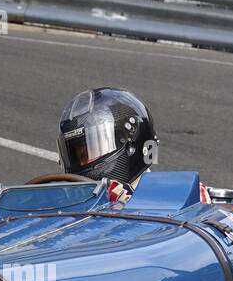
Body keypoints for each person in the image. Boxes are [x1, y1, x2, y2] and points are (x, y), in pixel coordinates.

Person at [56, 87, 209, 203]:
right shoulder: (69, 203)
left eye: (92, 150)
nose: (82, 163)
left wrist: (123, 207)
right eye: (78, 156)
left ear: (131, 146)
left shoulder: (180, 193)